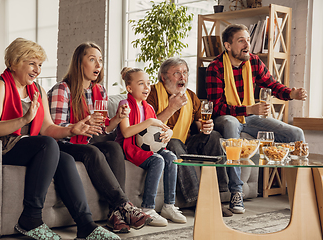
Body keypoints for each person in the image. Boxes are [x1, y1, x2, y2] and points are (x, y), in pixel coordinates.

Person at [0, 38, 120, 240]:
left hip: (31, 145)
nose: (37, 70)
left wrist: (72, 129)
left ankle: (85, 226)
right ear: (15, 62)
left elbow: (47, 128)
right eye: (32, 63)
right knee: (47, 145)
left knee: (65, 158)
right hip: (4, 146)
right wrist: (24, 119)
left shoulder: (38, 90)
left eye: (40, 65)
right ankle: (31, 218)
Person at [47, 42, 152, 234]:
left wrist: (118, 118)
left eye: (100, 60)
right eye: (92, 59)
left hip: (88, 140)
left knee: (113, 147)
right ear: (80, 63)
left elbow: (102, 129)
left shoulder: (99, 91)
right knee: (92, 150)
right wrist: (79, 126)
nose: (98, 65)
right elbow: (54, 127)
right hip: (65, 143)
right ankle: (124, 205)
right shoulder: (62, 90)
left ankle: (116, 214)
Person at [206, 24, 307, 212]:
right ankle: (236, 192)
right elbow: (217, 106)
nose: (247, 44)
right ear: (228, 46)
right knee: (229, 123)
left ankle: (303, 193)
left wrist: (291, 94)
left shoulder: (253, 62)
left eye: (248, 40)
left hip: (249, 116)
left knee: (295, 133)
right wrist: (249, 109)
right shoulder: (215, 67)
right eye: (241, 40)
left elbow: (273, 84)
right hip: (227, 116)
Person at [146, 57, 233, 217]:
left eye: (185, 72)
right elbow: (148, 126)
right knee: (174, 143)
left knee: (214, 136)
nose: (182, 77)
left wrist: (205, 127)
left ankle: (220, 195)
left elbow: (200, 123)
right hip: (162, 145)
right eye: (177, 73)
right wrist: (172, 108)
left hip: (186, 144)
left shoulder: (191, 96)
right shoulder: (151, 93)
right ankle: (198, 200)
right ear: (164, 77)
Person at [115, 67, 187, 227]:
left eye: (148, 83)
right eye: (141, 84)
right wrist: (149, 122)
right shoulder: (125, 104)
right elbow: (126, 132)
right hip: (129, 146)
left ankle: (169, 205)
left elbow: (158, 128)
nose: (147, 87)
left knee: (171, 157)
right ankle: (147, 208)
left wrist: (168, 132)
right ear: (129, 88)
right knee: (157, 161)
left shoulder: (149, 108)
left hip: (145, 147)